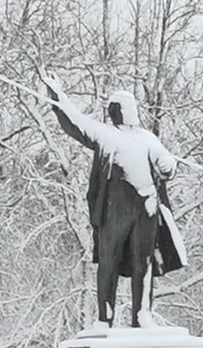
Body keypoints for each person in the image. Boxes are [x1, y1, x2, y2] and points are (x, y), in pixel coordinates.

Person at [44, 75, 187, 327]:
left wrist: (168, 165)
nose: (122, 113)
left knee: (144, 262)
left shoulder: (147, 138)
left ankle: (142, 314)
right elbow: (75, 122)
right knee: (108, 261)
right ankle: (104, 316)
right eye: (118, 108)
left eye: (123, 108)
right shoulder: (106, 134)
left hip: (146, 208)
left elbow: (165, 162)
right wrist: (58, 97)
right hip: (113, 211)